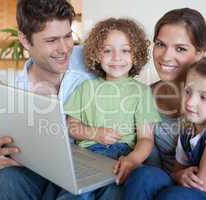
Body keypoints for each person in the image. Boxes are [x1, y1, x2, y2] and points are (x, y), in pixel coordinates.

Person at [0, 0, 112, 199]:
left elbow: (128, 59)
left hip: (86, 167)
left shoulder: (89, 59)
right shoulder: (11, 91)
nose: (64, 49)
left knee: (112, 185)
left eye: (67, 36)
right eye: (52, 40)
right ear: (25, 41)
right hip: (34, 174)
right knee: (3, 179)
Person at [125, 55, 206, 199]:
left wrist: (180, 180)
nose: (190, 102)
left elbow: (202, 186)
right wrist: (181, 175)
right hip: (205, 194)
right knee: (145, 175)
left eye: (203, 97)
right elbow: (175, 173)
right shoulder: (188, 133)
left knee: (175, 196)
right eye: (188, 91)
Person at [60, 18, 161, 199]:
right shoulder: (86, 88)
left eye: (125, 50)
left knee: (114, 194)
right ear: (96, 55)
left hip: (123, 156)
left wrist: (132, 160)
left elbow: (146, 139)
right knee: (73, 195)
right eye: (107, 50)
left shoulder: (142, 92)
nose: (116, 58)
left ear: (136, 55)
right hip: (87, 155)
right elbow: (71, 126)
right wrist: (94, 134)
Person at [144, 7, 206, 172]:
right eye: (160, 45)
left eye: (180, 48)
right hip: (157, 182)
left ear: (200, 53)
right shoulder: (143, 96)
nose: (165, 57)